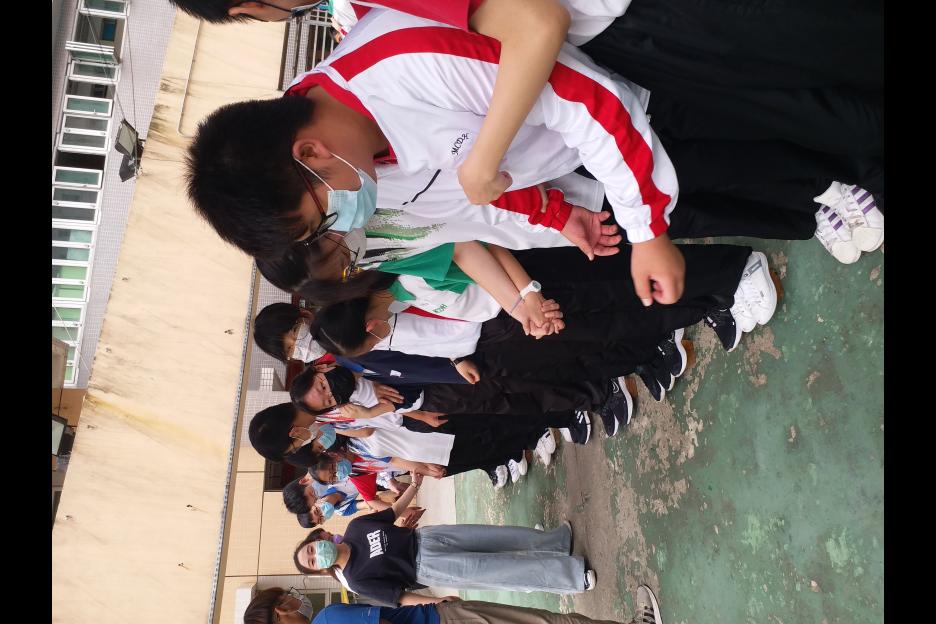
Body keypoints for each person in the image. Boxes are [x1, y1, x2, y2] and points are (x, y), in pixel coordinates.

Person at [293, 472, 596, 602]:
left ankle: (554, 542)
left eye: (311, 549)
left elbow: (393, 512)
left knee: (497, 538)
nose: (316, 553)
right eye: (312, 560)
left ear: (317, 540)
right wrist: (434, 602)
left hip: (428, 537)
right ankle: (572, 577)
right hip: (428, 568)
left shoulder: (355, 529)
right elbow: (399, 598)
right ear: (320, 569)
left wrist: (414, 485)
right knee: (500, 570)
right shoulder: (356, 579)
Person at [243, 584, 665, 624]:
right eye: (287, 599)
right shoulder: (329, 618)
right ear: (280, 611)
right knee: (544, 622)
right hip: (445, 621)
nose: (295, 600)